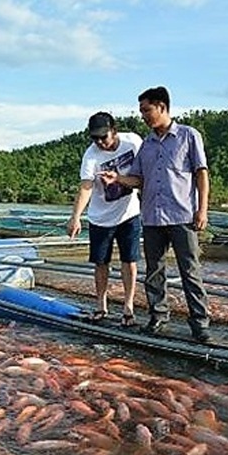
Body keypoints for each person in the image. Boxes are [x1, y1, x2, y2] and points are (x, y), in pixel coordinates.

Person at [100, 86, 212, 343]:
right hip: (151, 217)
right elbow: (138, 179)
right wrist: (117, 178)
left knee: (190, 271)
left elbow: (201, 173)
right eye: (141, 111)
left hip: (183, 215)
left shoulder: (188, 135)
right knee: (154, 271)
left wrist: (202, 209)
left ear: (162, 107)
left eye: (146, 110)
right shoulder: (147, 145)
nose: (143, 116)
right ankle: (158, 316)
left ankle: (200, 323)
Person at [67, 111, 142, 327]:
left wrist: (120, 179)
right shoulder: (91, 156)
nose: (100, 142)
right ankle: (101, 305)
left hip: (129, 213)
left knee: (129, 261)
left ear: (114, 131)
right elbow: (86, 187)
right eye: (95, 138)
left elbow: (143, 175)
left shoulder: (133, 142)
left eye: (104, 137)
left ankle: (128, 308)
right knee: (101, 263)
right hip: (100, 218)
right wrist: (75, 217)